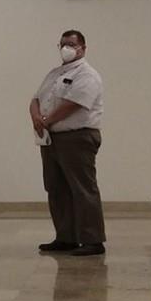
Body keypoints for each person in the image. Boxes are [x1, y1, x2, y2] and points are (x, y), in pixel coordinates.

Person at [31, 29, 106, 256]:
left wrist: (47, 120)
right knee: (56, 188)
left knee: (82, 189)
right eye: (63, 44)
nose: (66, 48)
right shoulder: (54, 73)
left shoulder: (87, 74)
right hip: (52, 138)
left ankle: (92, 240)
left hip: (77, 137)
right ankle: (66, 237)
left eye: (71, 44)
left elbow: (74, 103)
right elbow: (35, 98)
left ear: (83, 47)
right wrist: (36, 118)